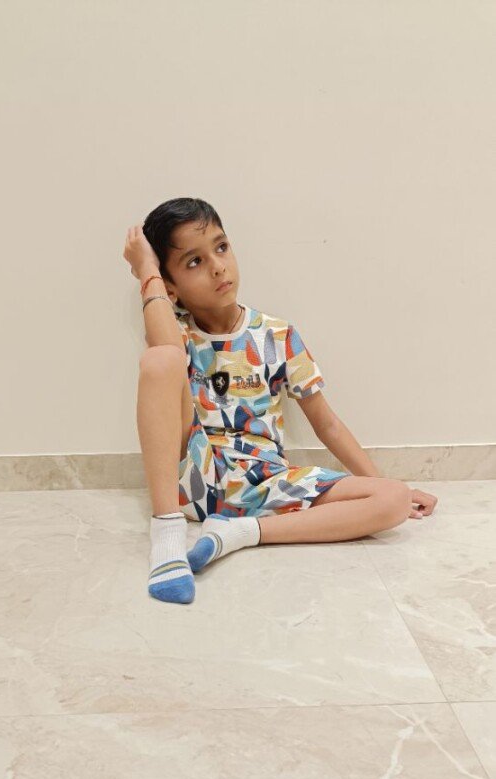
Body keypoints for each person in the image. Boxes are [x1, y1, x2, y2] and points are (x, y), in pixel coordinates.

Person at [123, 198, 437, 605]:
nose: (218, 267)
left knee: (392, 498)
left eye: (221, 247)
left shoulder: (277, 335)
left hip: (266, 482)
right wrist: (147, 271)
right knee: (160, 358)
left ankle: (239, 533)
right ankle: (166, 533)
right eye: (194, 262)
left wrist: (381, 484)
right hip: (195, 475)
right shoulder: (176, 330)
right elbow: (164, 352)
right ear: (171, 288)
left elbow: (328, 424)